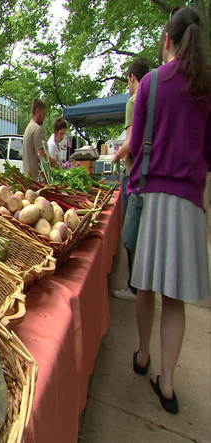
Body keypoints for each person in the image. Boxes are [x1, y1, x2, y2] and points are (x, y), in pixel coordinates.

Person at [129, 7, 211, 414]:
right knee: (174, 297)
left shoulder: (151, 83)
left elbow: (136, 144)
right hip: (191, 203)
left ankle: (143, 355)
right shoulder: (206, 88)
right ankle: (168, 382)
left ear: (167, 39)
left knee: (146, 287)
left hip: (155, 198)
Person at [112, 58, 150, 300]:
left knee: (130, 234)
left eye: (127, 81)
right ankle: (142, 283)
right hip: (152, 178)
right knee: (143, 233)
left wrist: (114, 158)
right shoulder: (155, 101)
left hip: (135, 176)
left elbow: (130, 142)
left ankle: (134, 286)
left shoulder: (134, 101)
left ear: (132, 78)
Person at [22, 99, 47, 179]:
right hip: (35, 179)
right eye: (43, 113)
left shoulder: (28, 128)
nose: (44, 117)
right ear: (37, 111)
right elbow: (41, 153)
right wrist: (52, 161)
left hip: (27, 177)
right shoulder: (37, 129)